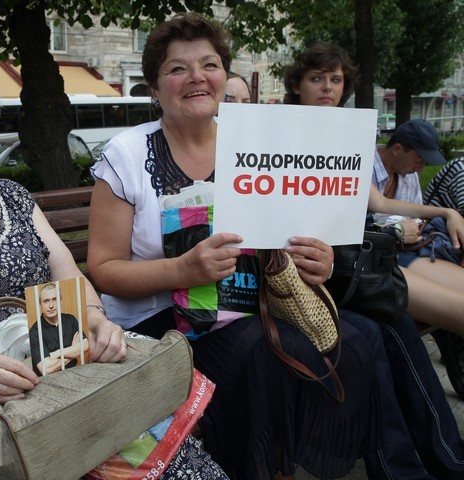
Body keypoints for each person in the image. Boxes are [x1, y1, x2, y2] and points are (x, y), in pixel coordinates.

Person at [0, 49, 228, 479]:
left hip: (56, 373)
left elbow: (71, 277)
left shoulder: (12, 197)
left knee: (173, 463)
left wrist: (96, 321)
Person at [88, 13, 381, 480]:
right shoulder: (125, 155)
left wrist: (316, 260)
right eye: (177, 68)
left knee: (360, 342)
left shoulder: (258, 143)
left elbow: (289, 238)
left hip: (248, 306)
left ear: (225, 75)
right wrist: (183, 271)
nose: (196, 78)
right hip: (155, 322)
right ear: (154, 85)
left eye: (209, 64)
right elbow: (102, 268)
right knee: (260, 354)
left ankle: (276, 463)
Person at [284, 40, 464, 479]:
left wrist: (443, 210)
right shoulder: (281, 130)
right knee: (374, 335)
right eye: (316, 78)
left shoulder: (345, 136)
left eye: (335, 79)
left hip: (346, 269)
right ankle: (410, 468)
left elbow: (376, 201)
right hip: (300, 273)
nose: (327, 87)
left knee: (396, 322)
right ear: (298, 85)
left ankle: (448, 457)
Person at [29, 282, 89, 375]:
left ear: (60, 301)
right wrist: (74, 350)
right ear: (40, 304)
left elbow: (85, 345)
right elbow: (46, 369)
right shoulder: (34, 332)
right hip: (49, 381)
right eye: (46, 301)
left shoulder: (71, 320)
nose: (51, 305)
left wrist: (57, 353)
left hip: (74, 373)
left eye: (54, 299)